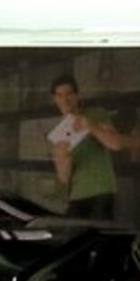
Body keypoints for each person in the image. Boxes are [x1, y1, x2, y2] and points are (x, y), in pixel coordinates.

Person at [46, 78, 128, 220]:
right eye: (60, 95)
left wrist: (89, 125)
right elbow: (63, 178)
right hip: (76, 196)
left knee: (98, 238)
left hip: (101, 191)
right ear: (55, 99)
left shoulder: (95, 114)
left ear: (77, 95)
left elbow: (116, 145)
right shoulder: (56, 135)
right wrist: (63, 157)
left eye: (69, 94)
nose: (65, 99)